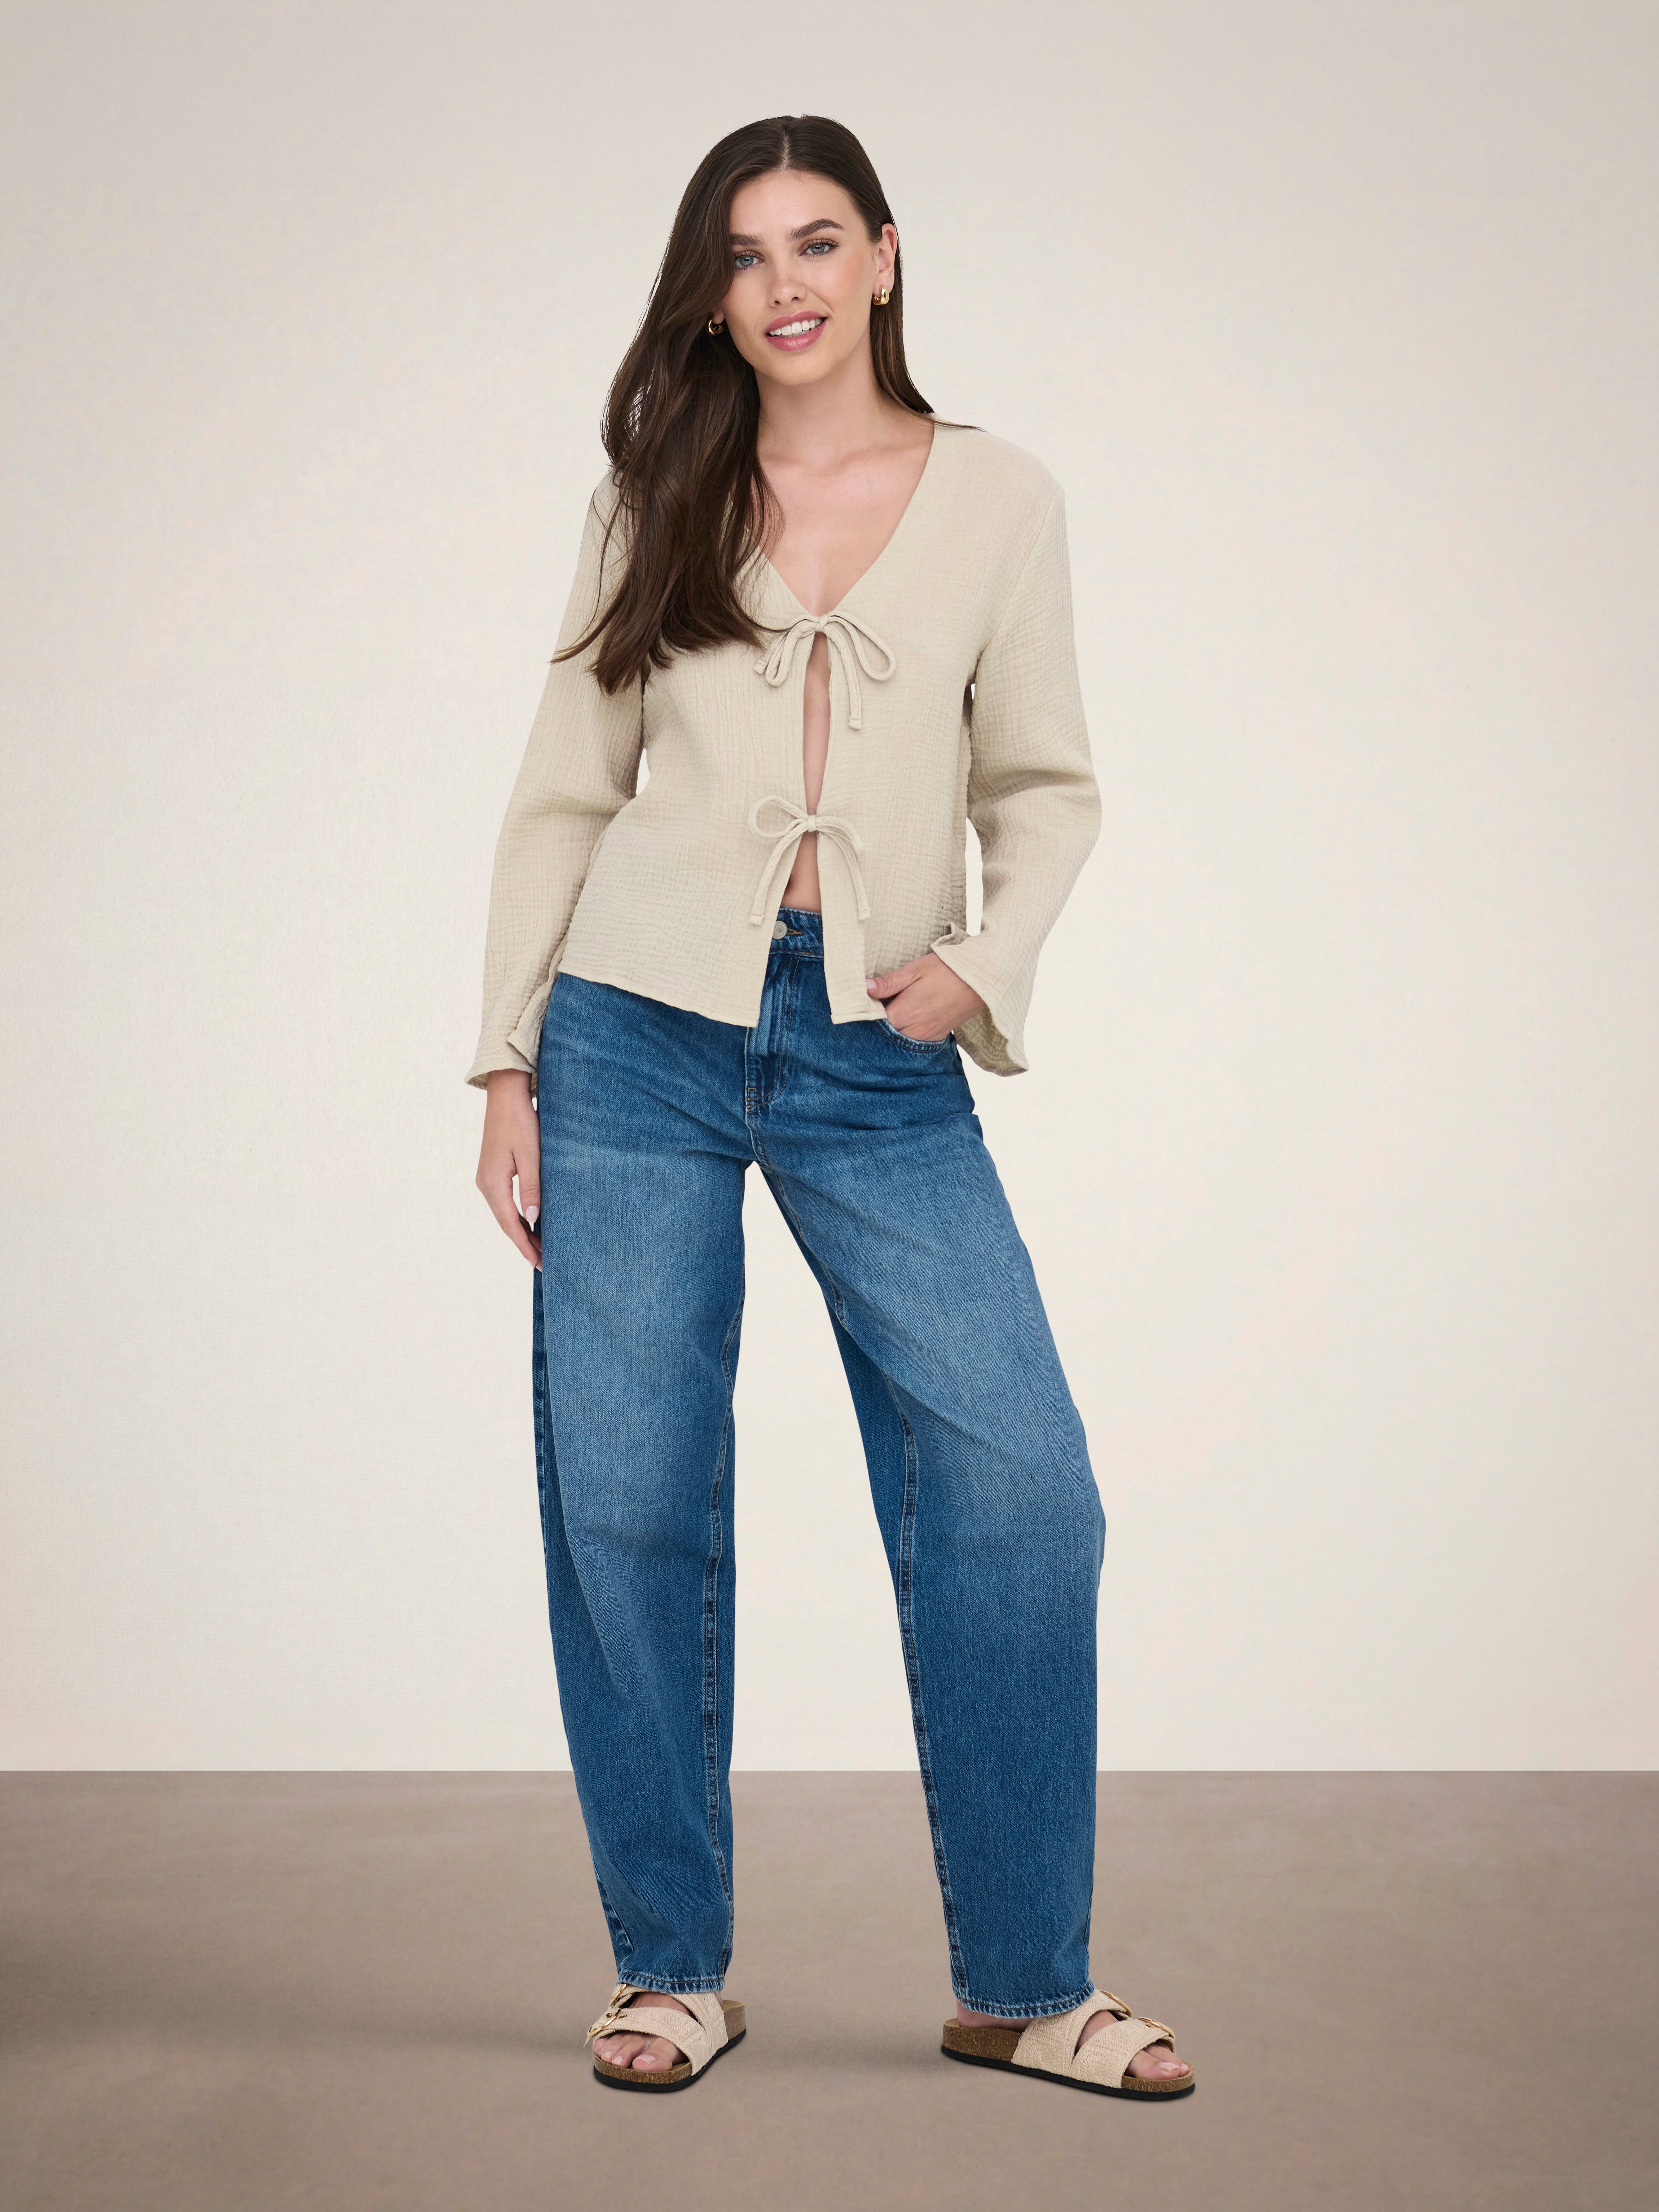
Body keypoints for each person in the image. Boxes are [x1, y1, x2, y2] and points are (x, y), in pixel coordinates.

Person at [468, 114, 1194, 2102]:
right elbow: (565, 780)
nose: (780, 283)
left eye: (813, 241)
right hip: (633, 1033)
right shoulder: (657, 490)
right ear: (711, 295)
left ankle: (1024, 1983)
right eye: (740, 254)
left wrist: (983, 958)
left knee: (1021, 1489)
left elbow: (1043, 781)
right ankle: (667, 1968)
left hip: (876, 1046)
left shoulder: (997, 498)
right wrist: (507, 1057)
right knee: (627, 1496)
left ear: (882, 255)